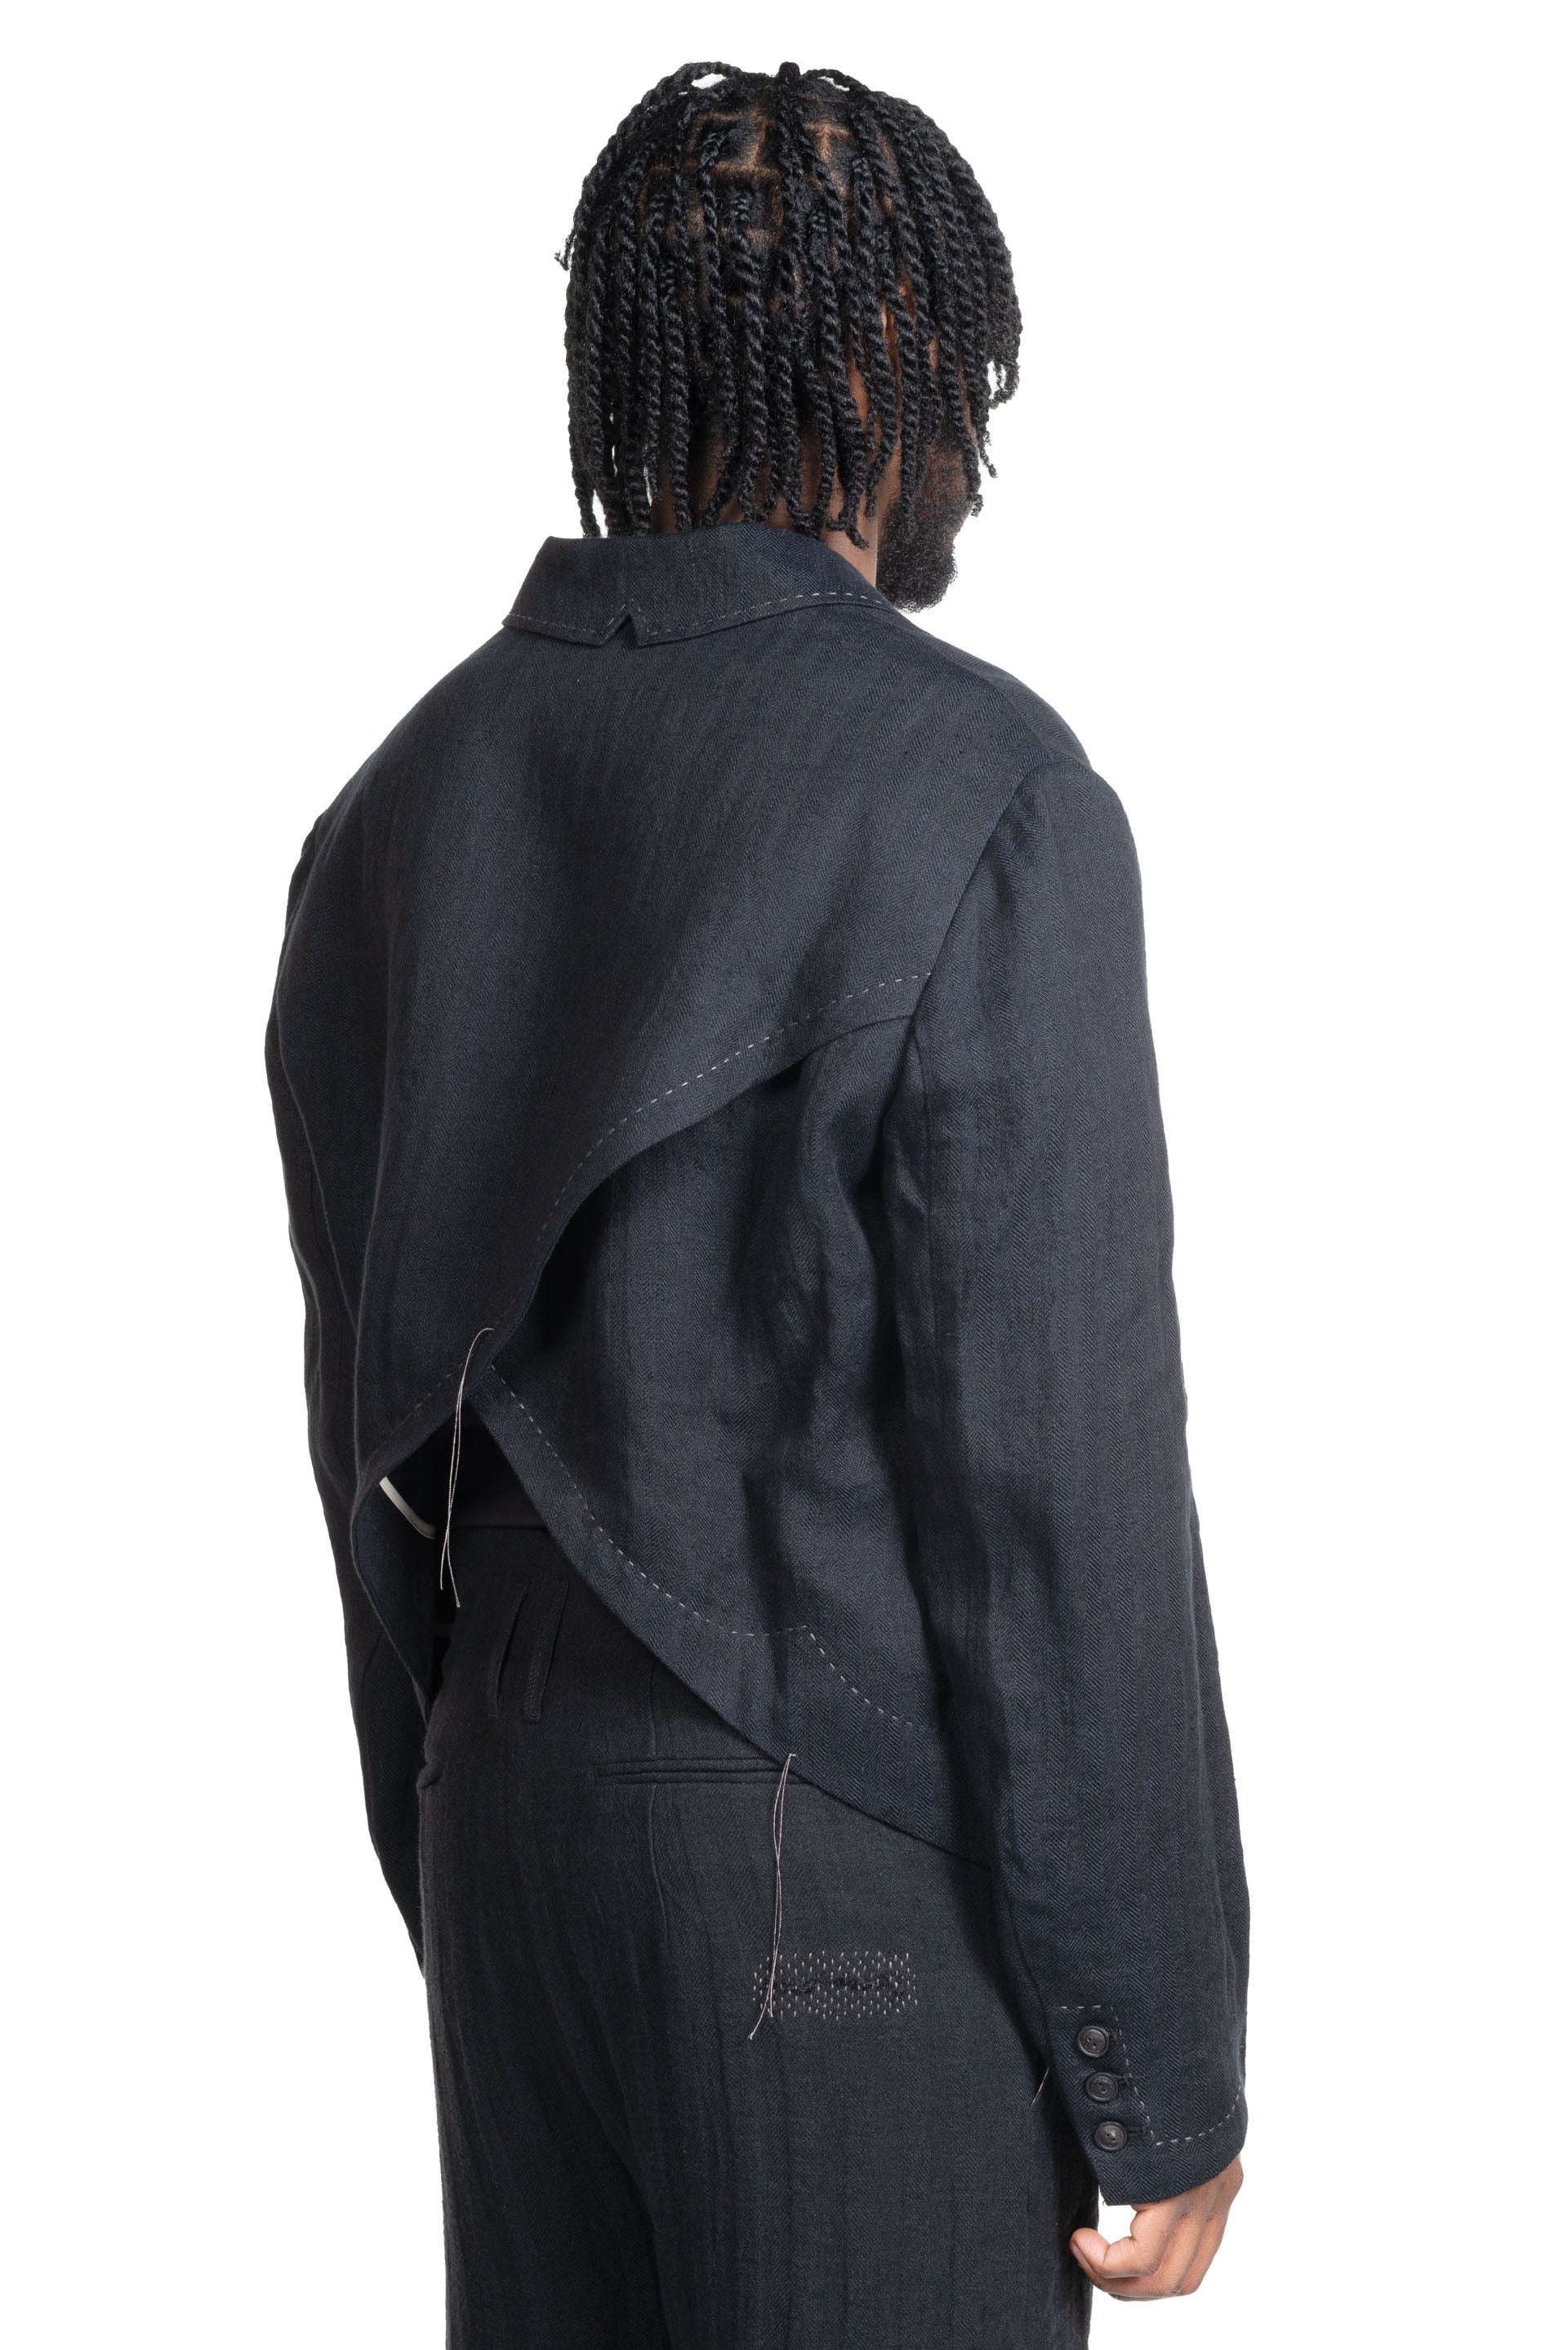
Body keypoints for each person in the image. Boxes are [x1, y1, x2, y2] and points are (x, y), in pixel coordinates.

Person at [265, 60, 1248, 2348]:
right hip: (843, 1881)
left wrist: (459, 1828)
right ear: (886, 360)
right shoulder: (982, 787)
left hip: (509, 1821)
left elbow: (362, 1418)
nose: (975, 440)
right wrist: (1160, 2053)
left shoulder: (392, 811)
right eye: (963, 371)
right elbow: (1060, 1480)